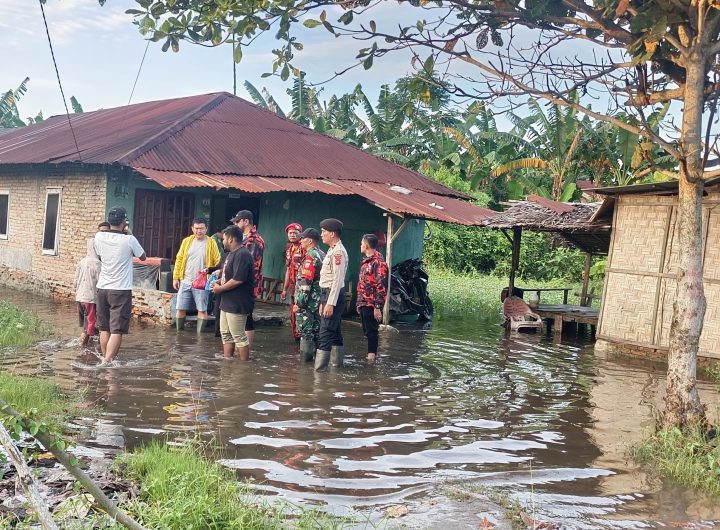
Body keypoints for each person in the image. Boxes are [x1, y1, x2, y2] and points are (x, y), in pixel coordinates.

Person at [93, 206, 146, 364]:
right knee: (117, 329)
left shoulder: (98, 237)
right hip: (120, 290)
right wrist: (129, 232)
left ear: (109, 221)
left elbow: (99, 254)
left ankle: (105, 360)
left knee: (104, 328)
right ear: (124, 222)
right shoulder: (129, 240)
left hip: (102, 288)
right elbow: (143, 256)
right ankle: (108, 363)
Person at [210, 225, 254, 360]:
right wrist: (218, 282)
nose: (223, 241)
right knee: (226, 334)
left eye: (224, 239)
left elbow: (238, 279)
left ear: (230, 239)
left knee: (239, 336)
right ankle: (227, 361)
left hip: (238, 302)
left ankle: (244, 366)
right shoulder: (231, 254)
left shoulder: (243, 254)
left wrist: (220, 289)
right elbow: (229, 276)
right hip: (226, 301)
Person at [172, 218, 221, 333]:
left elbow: (218, 261)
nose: (199, 231)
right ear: (192, 229)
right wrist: (176, 277)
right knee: (180, 308)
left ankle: (200, 336)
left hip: (202, 283)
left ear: (206, 229)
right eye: (197, 228)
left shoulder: (211, 243)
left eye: (202, 228)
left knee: (202, 310)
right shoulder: (187, 241)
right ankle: (179, 333)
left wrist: (212, 277)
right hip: (186, 280)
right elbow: (179, 259)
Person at [316, 218, 348, 371]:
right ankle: (337, 368)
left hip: (332, 294)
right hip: (327, 294)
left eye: (324, 231)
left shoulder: (338, 252)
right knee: (334, 332)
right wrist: (324, 301)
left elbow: (337, 280)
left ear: (332, 233)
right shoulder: (332, 250)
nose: (321, 234)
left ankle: (319, 372)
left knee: (325, 333)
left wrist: (330, 303)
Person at [231, 210, 265, 346]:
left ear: (245, 221)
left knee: (247, 316)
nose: (235, 224)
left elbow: (248, 264)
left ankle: (246, 348)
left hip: (248, 283)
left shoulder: (255, 240)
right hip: (238, 280)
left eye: (237, 221)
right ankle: (240, 347)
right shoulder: (243, 238)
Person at [292, 228, 325, 362]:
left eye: (302, 238)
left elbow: (305, 283)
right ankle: (318, 364)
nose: (300, 240)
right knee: (317, 331)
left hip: (308, 302)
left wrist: (299, 304)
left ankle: (305, 366)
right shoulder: (322, 254)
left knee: (305, 332)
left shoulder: (310, 256)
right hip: (318, 300)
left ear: (310, 241)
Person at [357, 234, 389, 361]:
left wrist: (377, 307)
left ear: (366, 246)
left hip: (371, 303)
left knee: (372, 331)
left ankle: (371, 358)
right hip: (363, 302)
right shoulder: (366, 261)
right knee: (367, 331)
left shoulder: (378, 263)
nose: (360, 246)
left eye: (361, 244)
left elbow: (381, 287)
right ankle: (370, 357)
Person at [75, 238, 102, 347]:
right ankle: (82, 347)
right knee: (89, 325)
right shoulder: (97, 263)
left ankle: (88, 346)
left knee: (87, 324)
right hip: (90, 298)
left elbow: (75, 281)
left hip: (80, 297)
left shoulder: (82, 261)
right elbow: (100, 282)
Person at [280, 222, 304, 340]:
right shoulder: (289, 250)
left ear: (300, 234)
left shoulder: (304, 248)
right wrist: (284, 289)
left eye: (295, 233)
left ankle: (304, 338)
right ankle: (296, 337)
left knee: (302, 312)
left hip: (303, 287)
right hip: (293, 288)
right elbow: (288, 270)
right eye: (290, 233)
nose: (292, 235)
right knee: (293, 313)